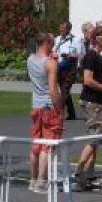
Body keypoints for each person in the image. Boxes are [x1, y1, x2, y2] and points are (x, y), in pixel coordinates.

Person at [74, 29, 102, 189]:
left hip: (97, 102)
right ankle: (79, 170)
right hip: (92, 102)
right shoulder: (92, 56)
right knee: (94, 137)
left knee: (96, 138)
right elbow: (87, 80)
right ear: (98, 39)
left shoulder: (97, 56)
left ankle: (90, 174)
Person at [27, 34, 64, 193]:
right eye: (52, 43)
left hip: (36, 105)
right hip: (48, 106)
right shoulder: (50, 63)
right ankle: (42, 180)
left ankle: (33, 179)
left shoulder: (30, 59)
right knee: (47, 144)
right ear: (46, 43)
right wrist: (59, 108)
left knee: (36, 143)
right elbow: (53, 89)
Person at [52, 21, 81, 121]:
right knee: (65, 91)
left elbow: (80, 54)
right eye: (60, 28)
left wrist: (69, 55)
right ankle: (72, 113)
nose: (60, 30)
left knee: (65, 90)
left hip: (71, 68)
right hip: (59, 67)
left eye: (63, 28)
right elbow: (53, 51)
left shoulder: (76, 40)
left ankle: (60, 113)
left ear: (68, 29)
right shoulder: (57, 39)